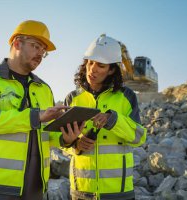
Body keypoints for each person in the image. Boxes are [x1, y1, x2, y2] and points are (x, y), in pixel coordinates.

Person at [0, 20, 81, 200]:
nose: (40, 54)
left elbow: (46, 134)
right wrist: (36, 116)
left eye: (43, 51)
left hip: (36, 189)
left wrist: (65, 138)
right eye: (36, 46)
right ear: (17, 43)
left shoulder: (44, 88)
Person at [63, 34, 147, 200]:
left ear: (112, 70)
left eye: (100, 65)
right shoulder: (72, 98)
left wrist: (113, 120)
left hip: (118, 192)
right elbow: (61, 140)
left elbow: (139, 137)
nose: (92, 69)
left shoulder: (127, 96)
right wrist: (75, 144)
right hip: (81, 190)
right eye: (90, 62)